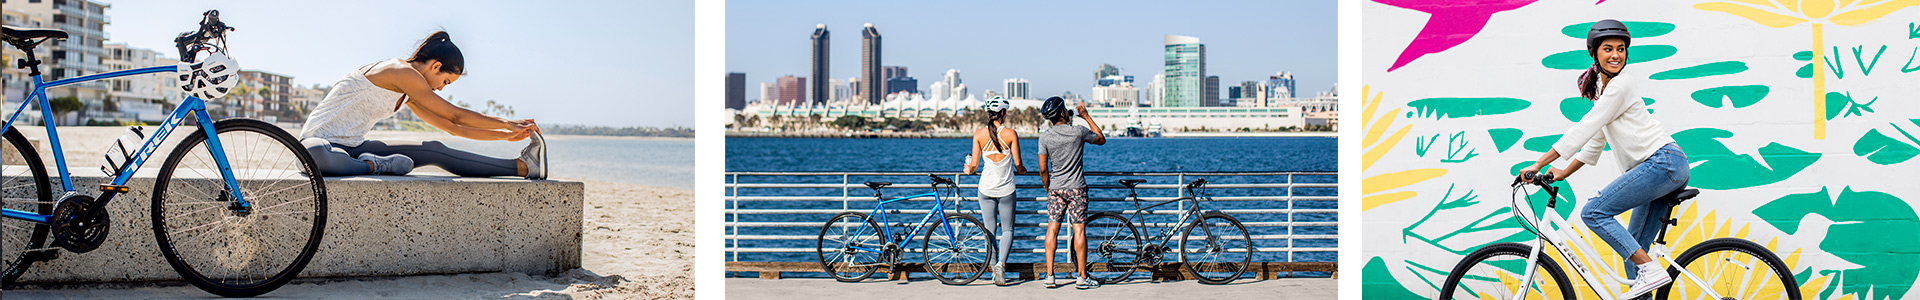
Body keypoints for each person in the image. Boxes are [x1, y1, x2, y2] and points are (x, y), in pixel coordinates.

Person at [1518, 19, 1690, 299]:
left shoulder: (1622, 85)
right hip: (1663, 168)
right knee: (1634, 255)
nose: (1615, 55)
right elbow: (1596, 138)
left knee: (1594, 211)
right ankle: (1649, 273)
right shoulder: (1606, 92)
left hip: (1663, 164)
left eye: (1621, 49)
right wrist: (1563, 172)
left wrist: (1538, 162)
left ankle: (1653, 270)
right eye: (1608, 49)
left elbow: (1585, 127)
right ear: (1595, 53)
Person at [299, 31, 546, 179]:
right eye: (445, 81)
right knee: (317, 156)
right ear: (436, 66)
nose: (441, 88)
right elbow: (456, 115)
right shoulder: (400, 72)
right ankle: (374, 165)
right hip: (317, 146)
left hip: (354, 149)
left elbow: (453, 128)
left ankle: (523, 167)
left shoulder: (409, 92)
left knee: (435, 150)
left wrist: (504, 135)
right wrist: (507, 122)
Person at [1035, 96, 1105, 289]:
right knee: (1079, 230)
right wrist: (1086, 116)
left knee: (1052, 229)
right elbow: (1101, 139)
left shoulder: (1045, 137)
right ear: (1064, 113)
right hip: (1077, 188)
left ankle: (1050, 276)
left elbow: (1042, 169)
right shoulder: (1078, 132)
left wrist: (1048, 188)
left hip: (1056, 189)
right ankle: (1082, 277)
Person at [963, 97, 1025, 287]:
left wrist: (967, 168)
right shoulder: (1011, 134)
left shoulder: (979, 134)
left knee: (989, 230)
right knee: (1008, 229)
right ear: (1003, 113)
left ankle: (992, 270)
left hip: (986, 189)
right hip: (1006, 189)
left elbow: (973, 166)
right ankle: (1001, 265)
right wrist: (1024, 171)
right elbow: (1018, 164)